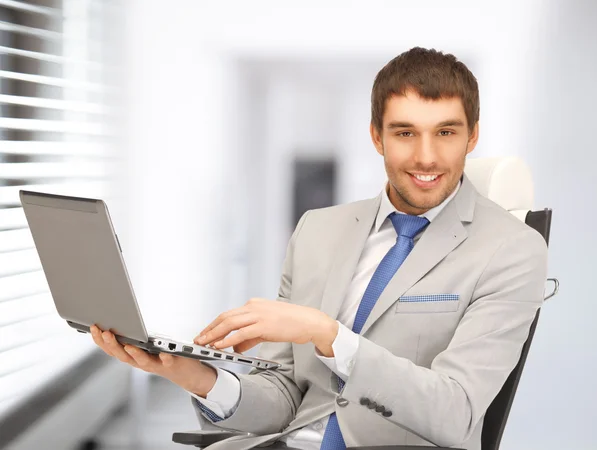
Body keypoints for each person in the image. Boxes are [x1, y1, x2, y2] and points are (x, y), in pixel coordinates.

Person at [91, 47, 548, 450]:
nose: (426, 157)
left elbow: (456, 412)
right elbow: (282, 397)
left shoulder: (511, 249)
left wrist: (328, 334)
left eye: (445, 133)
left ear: (472, 136)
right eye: (405, 133)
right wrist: (189, 376)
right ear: (377, 137)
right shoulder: (318, 230)